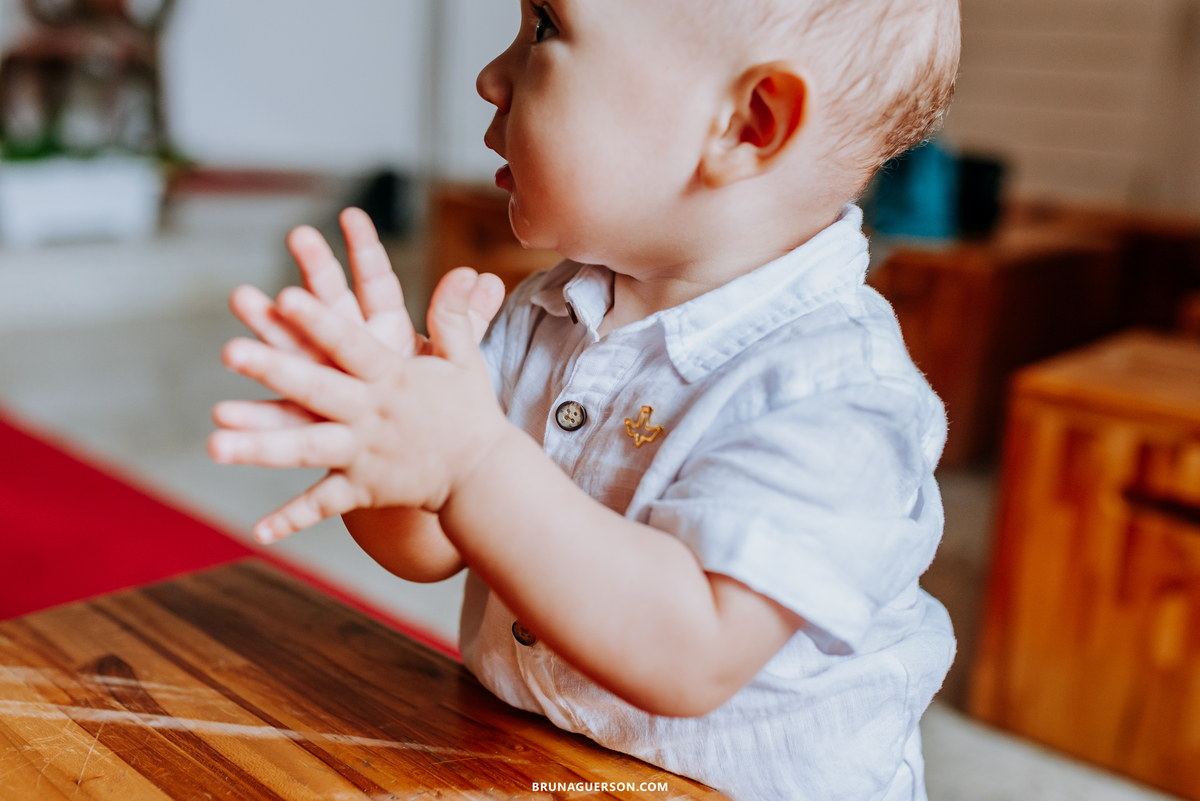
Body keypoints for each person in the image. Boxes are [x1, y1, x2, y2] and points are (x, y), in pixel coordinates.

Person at [209, 0, 961, 797]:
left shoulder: (835, 393)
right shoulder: (554, 306)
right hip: (537, 762)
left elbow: (691, 651)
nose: (491, 76)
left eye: (544, 28)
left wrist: (471, 461)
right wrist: (387, 434)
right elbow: (428, 547)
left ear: (747, 122)